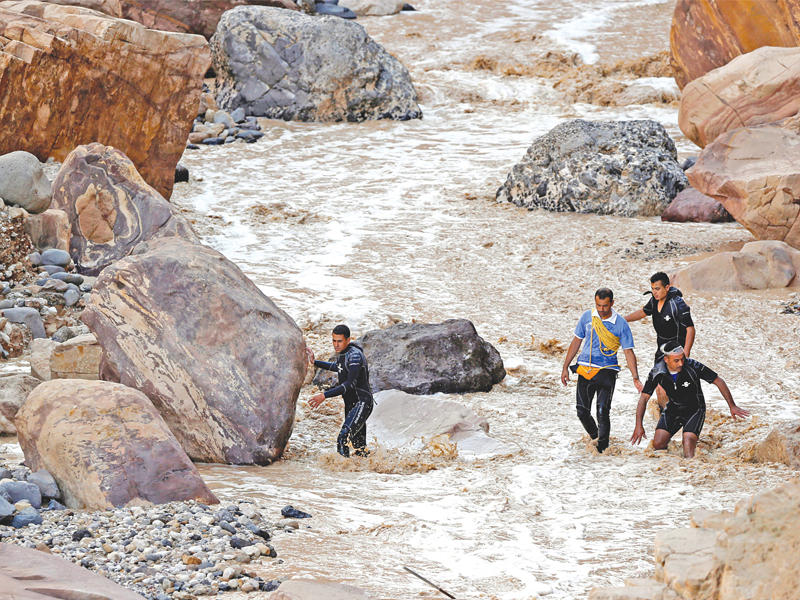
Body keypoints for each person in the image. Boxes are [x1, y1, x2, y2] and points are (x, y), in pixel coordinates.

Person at [630, 341, 749, 458]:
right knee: (658, 445)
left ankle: (691, 466)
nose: (681, 363)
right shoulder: (657, 372)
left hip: (695, 409)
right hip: (673, 408)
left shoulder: (693, 366)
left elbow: (718, 381)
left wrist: (732, 406)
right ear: (666, 359)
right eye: (676, 360)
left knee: (688, 450)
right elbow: (644, 398)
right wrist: (638, 425)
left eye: (682, 359)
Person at [561, 288, 643, 453]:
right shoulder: (587, 317)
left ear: (612, 303)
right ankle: (596, 438)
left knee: (602, 410)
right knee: (582, 411)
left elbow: (628, 351)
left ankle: (603, 449)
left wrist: (635, 377)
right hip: (585, 367)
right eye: (598, 305)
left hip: (607, 369)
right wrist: (565, 367)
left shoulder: (621, 324)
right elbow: (576, 341)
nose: (601, 309)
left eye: (605, 306)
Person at [625, 272, 695, 409]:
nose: (654, 292)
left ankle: (672, 418)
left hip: (676, 352)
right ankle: (666, 418)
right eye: (652, 289)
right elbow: (643, 312)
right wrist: (623, 319)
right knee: (660, 388)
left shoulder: (678, 304)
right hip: (661, 352)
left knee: (664, 388)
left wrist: (686, 352)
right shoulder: (654, 300)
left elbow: (690, 329)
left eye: (657, 289)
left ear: (667, 287)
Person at [307, 324, 374, 457]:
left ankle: (342, 474)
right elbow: (337, 367)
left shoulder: (355, 356)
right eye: (334, 340)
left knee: (343, 437)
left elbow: (349, 384)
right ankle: (366, 474)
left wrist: (324, 395)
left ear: (348, 340)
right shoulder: (344, 353)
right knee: (358, 447)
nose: (336, 345)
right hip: (351, 404)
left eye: (339, 341)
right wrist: (315, 362)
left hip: (362, 403)